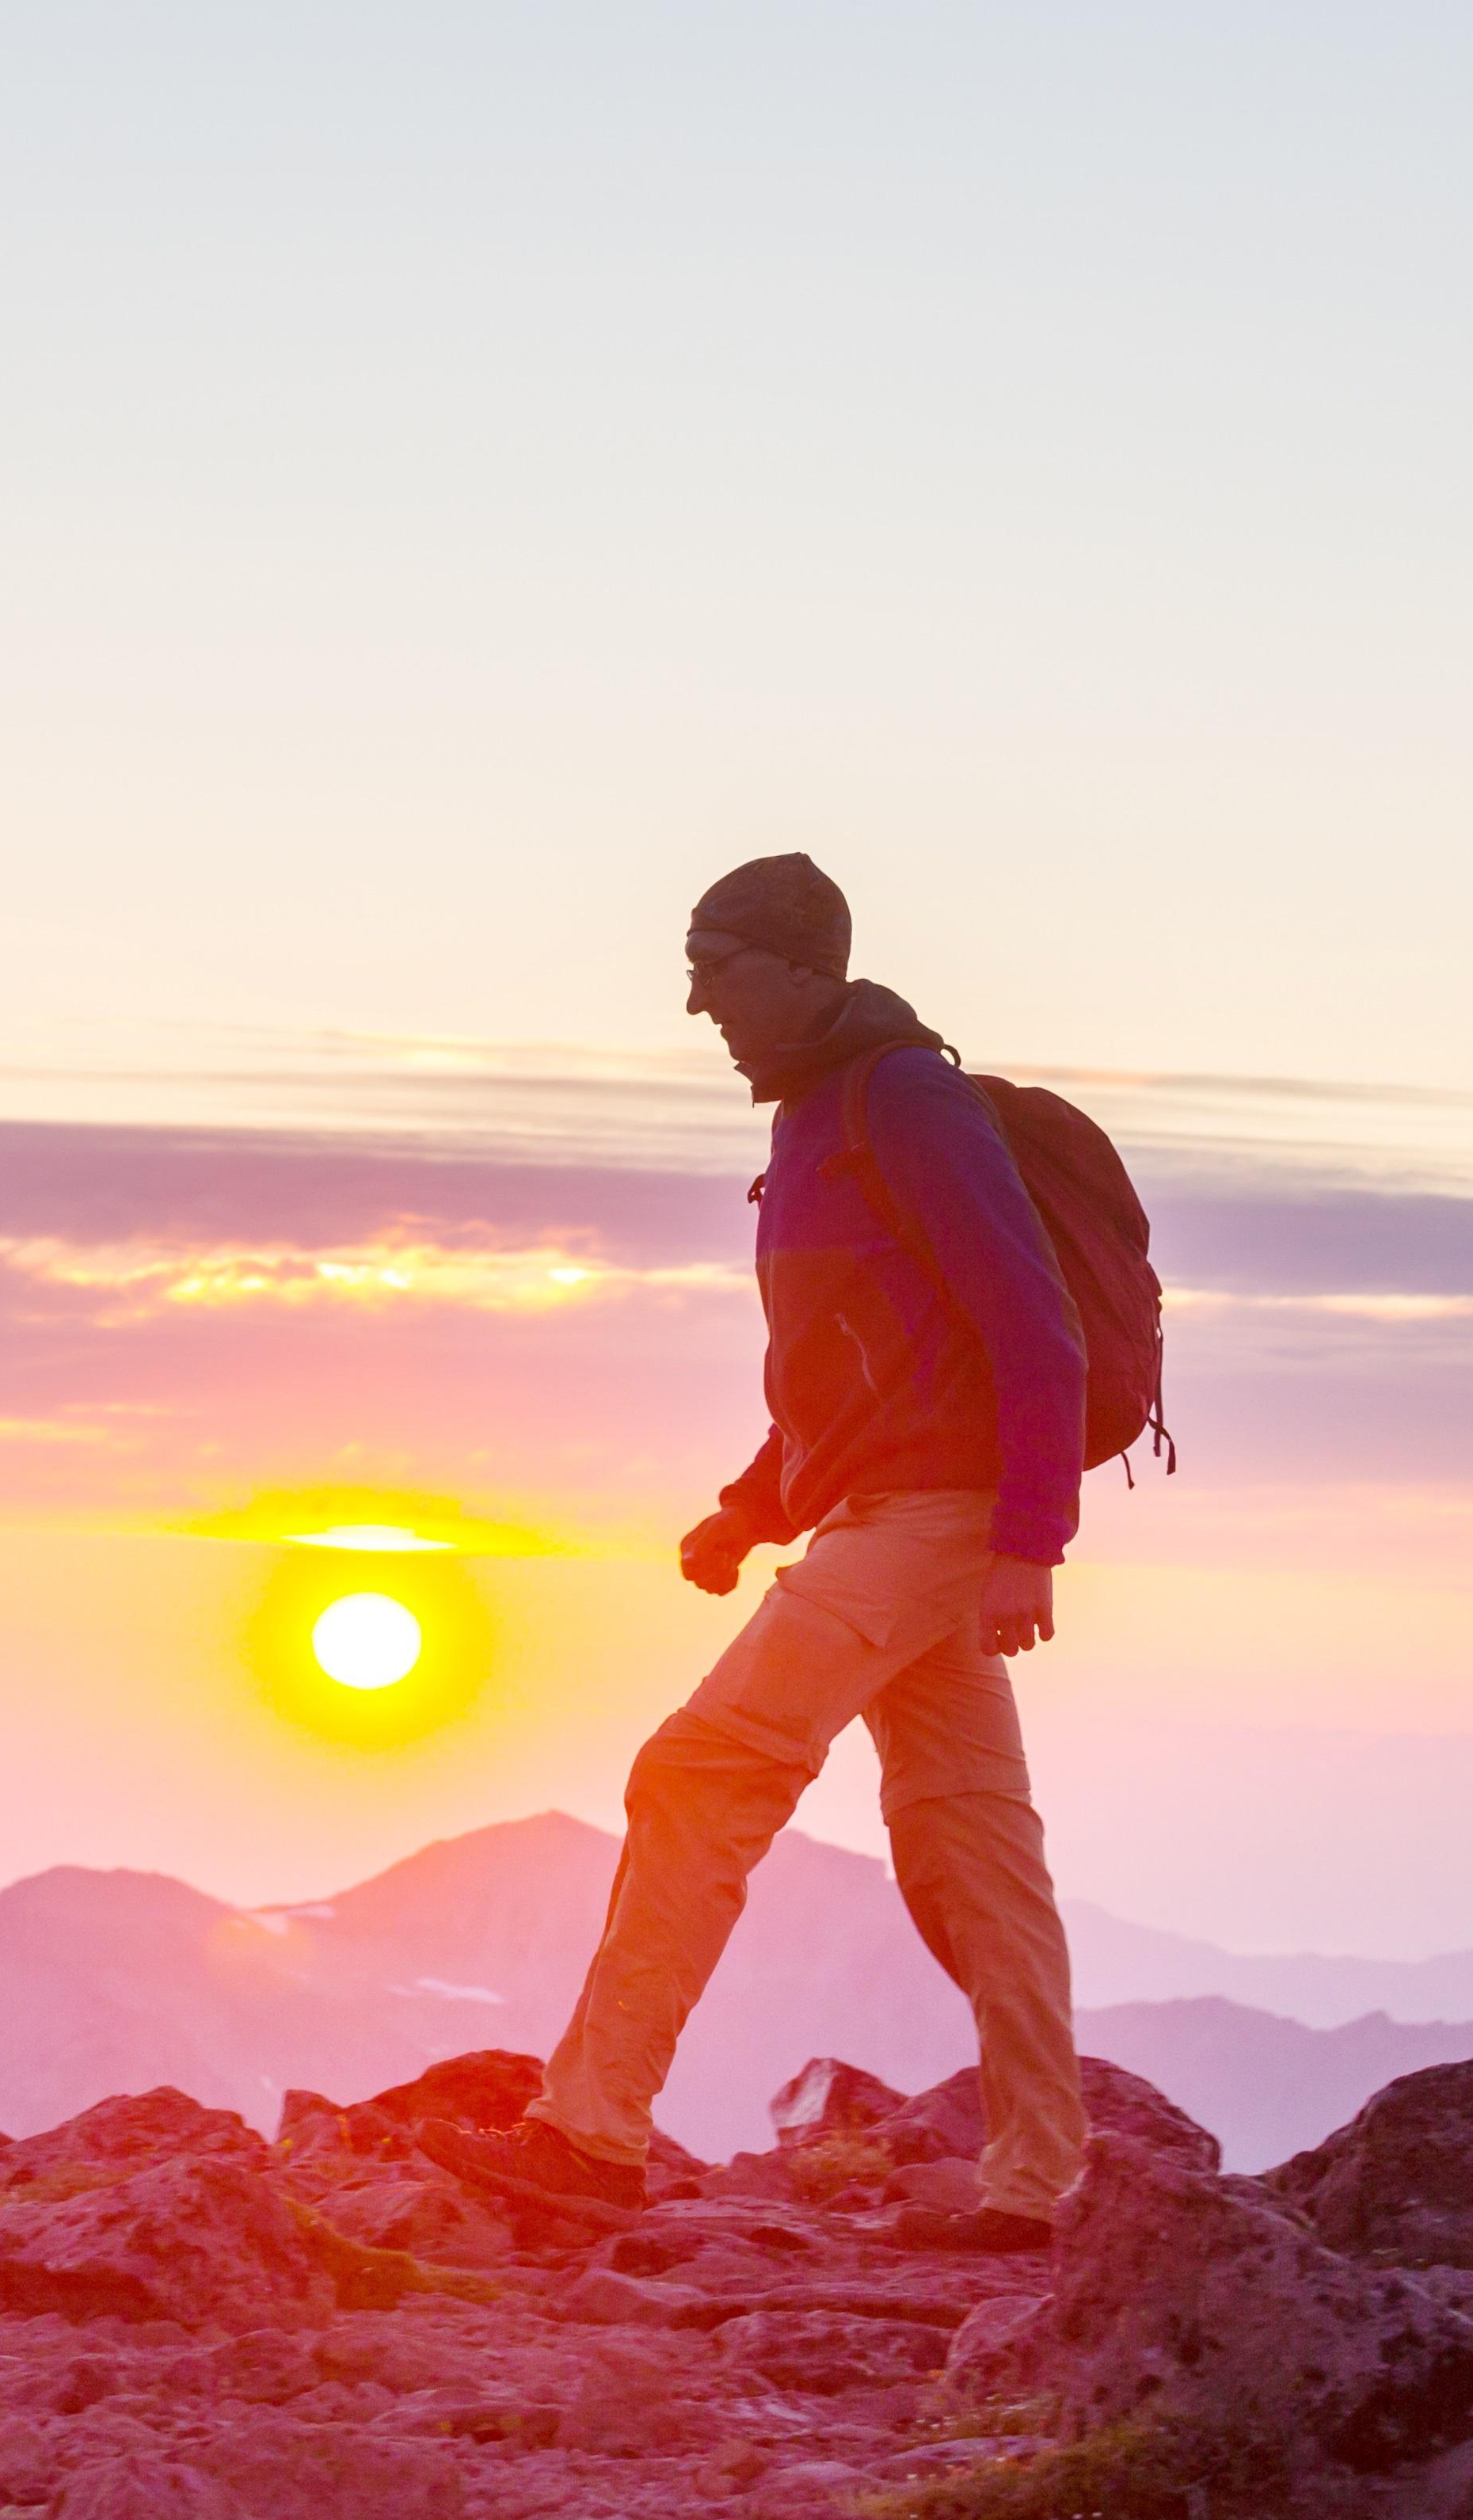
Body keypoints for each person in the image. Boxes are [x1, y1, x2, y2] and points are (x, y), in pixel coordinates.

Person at [421, 852, 1095, 2251]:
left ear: (804, 968)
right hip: (886, 1518)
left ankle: (590, 2136)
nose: (695, 1003)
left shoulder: (905, 1098)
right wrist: (749, 1507)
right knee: (974, 1857)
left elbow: (1034, 1321)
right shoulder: (815, 1121)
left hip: (935, 1522)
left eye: (716, 968)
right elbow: (849, 1376)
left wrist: (1031, 1537)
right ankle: (1044, 2188)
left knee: (702, 1770)